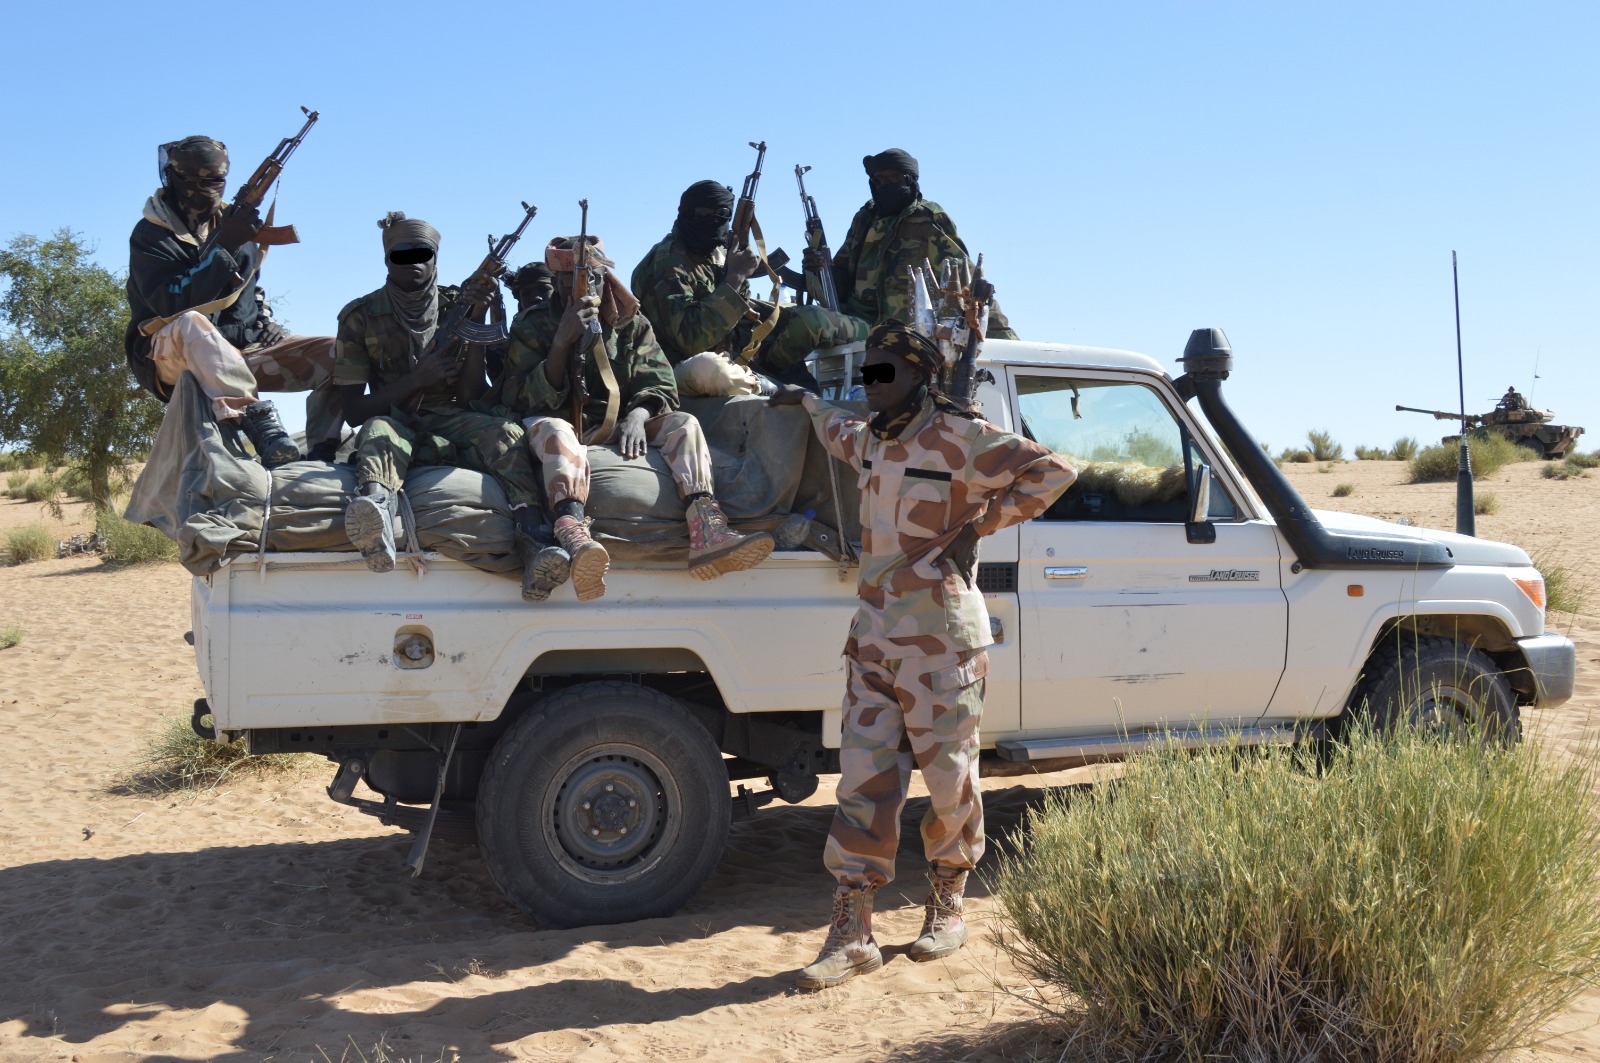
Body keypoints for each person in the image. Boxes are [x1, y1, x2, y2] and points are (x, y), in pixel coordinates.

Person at [769, 320, 1074, 990]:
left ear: (917, 374)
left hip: (942, 641)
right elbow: (834, 430)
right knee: (862, 783)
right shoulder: (873, 435)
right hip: (874, 640)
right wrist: (809, 402)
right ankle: (853, 932)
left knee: (947, 781)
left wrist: (978, 525)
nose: (871, 384)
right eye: (867, 372)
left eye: (884, 371)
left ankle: (948, 902)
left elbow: (1053, 471)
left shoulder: (961, 436)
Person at [498, 233, 775, 600]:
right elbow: (518, 398)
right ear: (557, 283)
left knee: (685, 423)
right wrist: (561, 343)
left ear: (604, 277)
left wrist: (639, 414)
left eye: (591, 278)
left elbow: (661, 382)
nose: (581, 290)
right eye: (569, 282)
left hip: (620, 424)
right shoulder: (532, 325)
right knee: (556, 429)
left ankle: (706, 525)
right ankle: (573, 530)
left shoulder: (629, 321)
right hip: (558, 426)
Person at [333, 212, 569, 602]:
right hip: (395, 420)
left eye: (422, 253)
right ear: (386, 259)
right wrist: (416, 380)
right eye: (401, 254)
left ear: (436, 257)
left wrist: (475, 322)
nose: (414, 262)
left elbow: (471, 393)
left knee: (506, 433)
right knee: (377, 431)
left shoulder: (454, 304)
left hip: (451, 418)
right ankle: (375, 519)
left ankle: (534, 539)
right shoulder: (360, 316)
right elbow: (354, 412)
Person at [125, 134, 344, 465]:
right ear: (174, 178)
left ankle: (323, 450)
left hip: (240, 353)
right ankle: (261, 424)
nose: (211, 189)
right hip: (170, 357)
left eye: (218, 181)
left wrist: (264, 321)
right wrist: (222, 247)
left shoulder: (233, 226)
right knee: (191, 323)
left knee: (340, 353)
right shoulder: (150, 234)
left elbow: (251, 289)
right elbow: (171, 304)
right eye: (199, 181)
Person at [630, 180, 866, 390]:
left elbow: (739, 314)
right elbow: (691, 340)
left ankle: (879, 333)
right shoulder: (667, 263)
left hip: (737, 352)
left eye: (722, 214)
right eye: (703, 213)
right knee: (716, 369)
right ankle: (772, 386)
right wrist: (735, 277)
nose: (713, 221)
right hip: (685, 368)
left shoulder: (716, 253)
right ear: (685, 214)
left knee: (810, 319)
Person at [831, 149, 1018, 340]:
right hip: (860, 327)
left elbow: (965, 278)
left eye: (895, 178)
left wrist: (1006, 341)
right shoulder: (864, 220)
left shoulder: (926, 218)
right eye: (880, 179)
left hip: (908, 335)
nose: (886, 185)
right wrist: (815, 268)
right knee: (806, 321)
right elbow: (838, 278)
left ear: (910, 180)